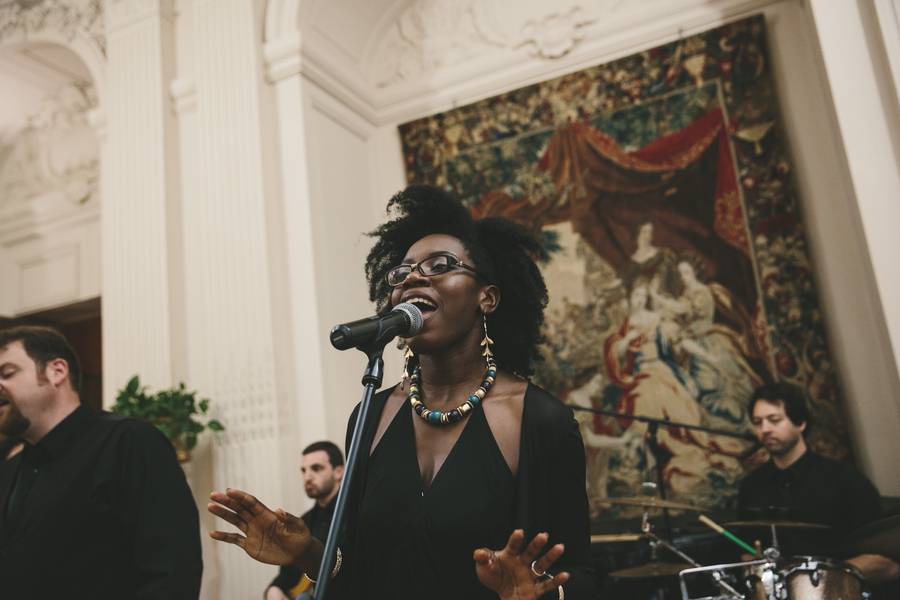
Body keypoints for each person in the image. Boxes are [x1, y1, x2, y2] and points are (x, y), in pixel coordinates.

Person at [208, 185, 596, 600]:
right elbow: (355, 570)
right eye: (402, 271)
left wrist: (538, 595)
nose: (412, 276)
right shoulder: (370, 415)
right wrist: (306, 553)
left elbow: (583, 574)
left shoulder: (540, 421)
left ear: (487, 297)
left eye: (439, 265)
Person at [0, 326, 203, 599]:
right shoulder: (12, 466)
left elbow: (171, 569)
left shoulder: (129, 442)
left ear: (56, 371)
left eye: (7, 373)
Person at [737, 382, 899, 584]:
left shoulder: (846, 480)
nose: (765, 429)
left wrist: (817, 583)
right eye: (758, 421)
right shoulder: (751, 486)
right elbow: (746, 551)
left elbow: (886, 563)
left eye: (774, 420)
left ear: (800, 423)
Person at [265, 441, 344, 600]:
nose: (307, 477)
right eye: (304, 470)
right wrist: (274, 590)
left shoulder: (355, 515)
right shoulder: (303, 522)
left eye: (316, 468)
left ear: (339, 472)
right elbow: (287, 575)